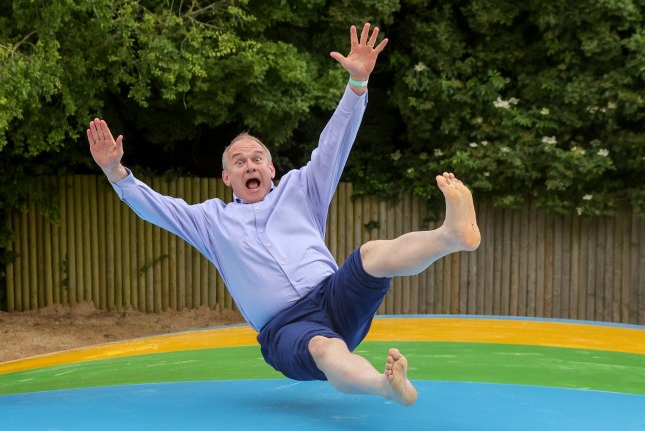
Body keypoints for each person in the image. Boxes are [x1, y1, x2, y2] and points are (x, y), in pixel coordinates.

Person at [87, 23, 480, 407]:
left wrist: (356, 85)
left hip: (334, 295)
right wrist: (114, 171)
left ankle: (450, 235)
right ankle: (384, 386)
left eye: (257, 158)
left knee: (372, 254)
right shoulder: (211, 221)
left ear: (271, 169)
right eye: (239, 162)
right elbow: (155, 207)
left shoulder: (301, 189)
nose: (249, 165)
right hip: (288, 329)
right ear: (227, 177)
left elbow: (333, 144)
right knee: (325, 348)